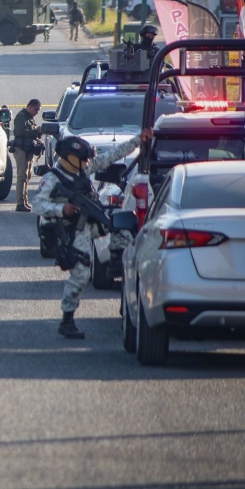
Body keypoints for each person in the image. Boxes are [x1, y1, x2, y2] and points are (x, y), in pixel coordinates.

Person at [33, 128, 152, 339]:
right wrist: (63, 209)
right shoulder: (52, 179)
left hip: (90, 223)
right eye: (83, 159)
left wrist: (138, 140)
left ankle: (115, 265)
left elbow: (110, 156)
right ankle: (67, 319)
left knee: (122, 223)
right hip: (70, 229)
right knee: (81, 274)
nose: (88, 163)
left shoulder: (83, 171)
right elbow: (38, 205)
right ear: (71, 158)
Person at [12, 99, 42, 212]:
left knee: (27, 177)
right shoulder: (21, 117)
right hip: (21, 149)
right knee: (21, 176)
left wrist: (38, 132)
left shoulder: (29, 118)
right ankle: (20, 203)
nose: (37, 112)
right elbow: (20, 132)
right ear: (29, 107)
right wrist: (35, 131)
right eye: (36, 109)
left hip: (28, 149)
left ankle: (24, 201)